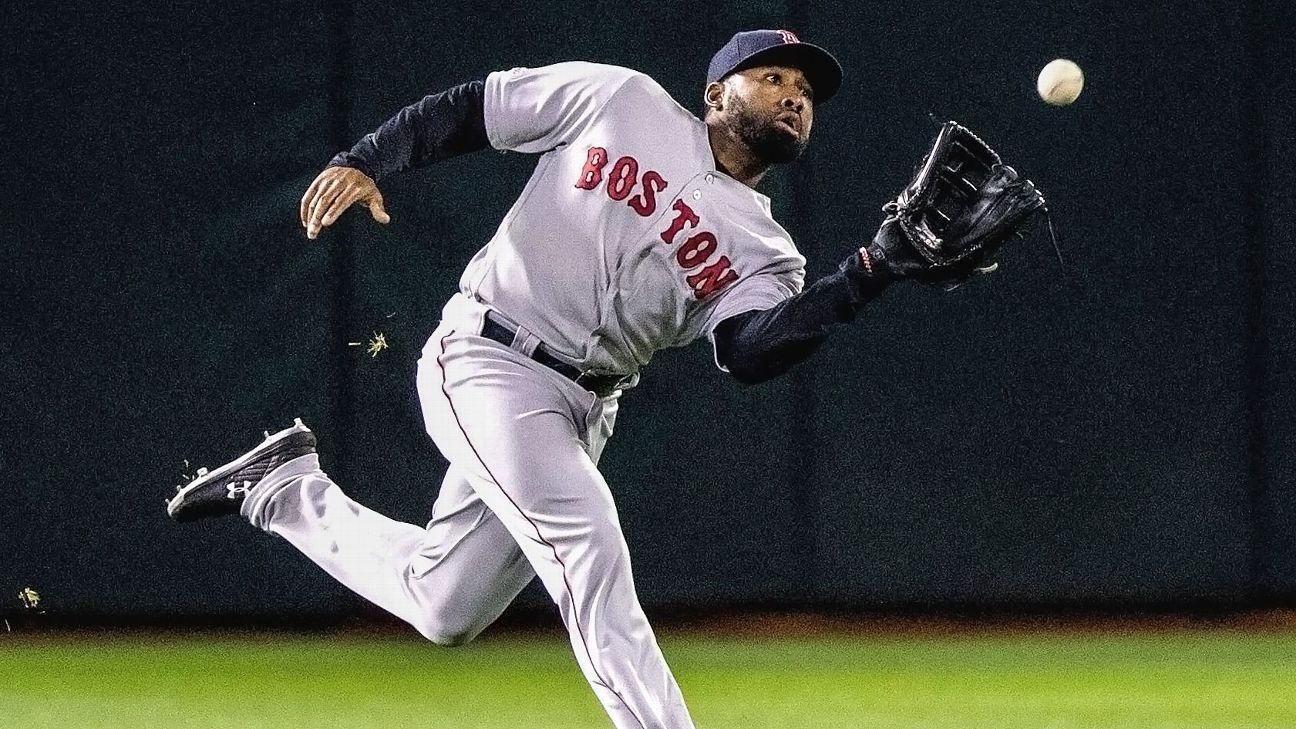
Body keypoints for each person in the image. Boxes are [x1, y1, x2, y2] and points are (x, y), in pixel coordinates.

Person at [169, 29, 912, 729]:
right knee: (590, 547)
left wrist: (867, 274)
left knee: (444, 604)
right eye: (773, 78)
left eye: (806, 92)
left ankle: (281, 487)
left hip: (585, 407)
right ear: (717, 94)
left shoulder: (767, 250)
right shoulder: (622, 101)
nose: (792, 95)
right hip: (489, 357)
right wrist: (369, 157)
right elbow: (475, 109)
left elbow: (748, 349)